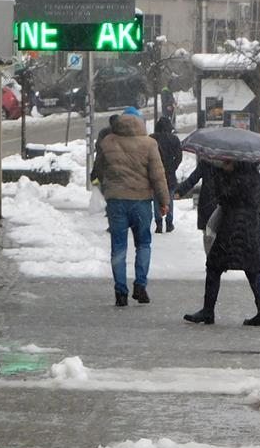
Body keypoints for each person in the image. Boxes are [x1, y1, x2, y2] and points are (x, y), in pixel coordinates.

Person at [94, 107, 169, 307]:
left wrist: (109, 187)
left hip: (116, 201)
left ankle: (120, 292)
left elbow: (99, 170)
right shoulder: (149, 144)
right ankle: (140, 286)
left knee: (118, 246)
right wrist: (164, 202)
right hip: (141, 202)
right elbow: (158, 176)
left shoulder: (107, 142)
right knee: (143, 244)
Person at [183, 160, 260, 327]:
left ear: (238, 163)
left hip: (231, 227)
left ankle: (208, 311)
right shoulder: (258, 178)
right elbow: (258, 202)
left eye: (228, 161)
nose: (224, 163)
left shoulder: (232, 178)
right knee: (253, 271)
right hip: (252, 228)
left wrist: (220, 175)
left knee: (214, 268)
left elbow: (223, 197)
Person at [151, 116, 183, 233]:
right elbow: (179, 157)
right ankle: (169, 223)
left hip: (155, 173)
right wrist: (172, 167)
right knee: (169, 198)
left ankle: (158, 223)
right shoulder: (174, 139)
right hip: (170, 174)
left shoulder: (152, 139)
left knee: (156, 197)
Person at [176, 158, 219, 231]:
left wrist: (180, 191)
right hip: (217, 202)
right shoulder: (230, 162)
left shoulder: (206, 162)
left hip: (208, 202)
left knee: (209, 233)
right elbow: (193, 179)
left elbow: (193, 179)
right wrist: (180, 191)